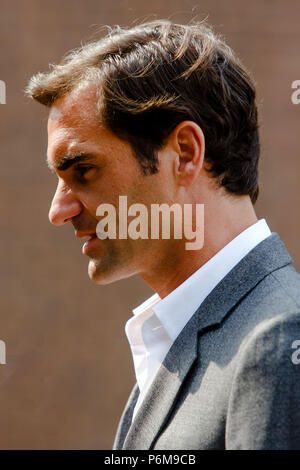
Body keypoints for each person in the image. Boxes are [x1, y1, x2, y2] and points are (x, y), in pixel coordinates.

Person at [26, 20, 300, 450]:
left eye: (83, 170)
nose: (58, 211)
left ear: (186, 154)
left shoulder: (277, 344)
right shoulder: (176, 337)